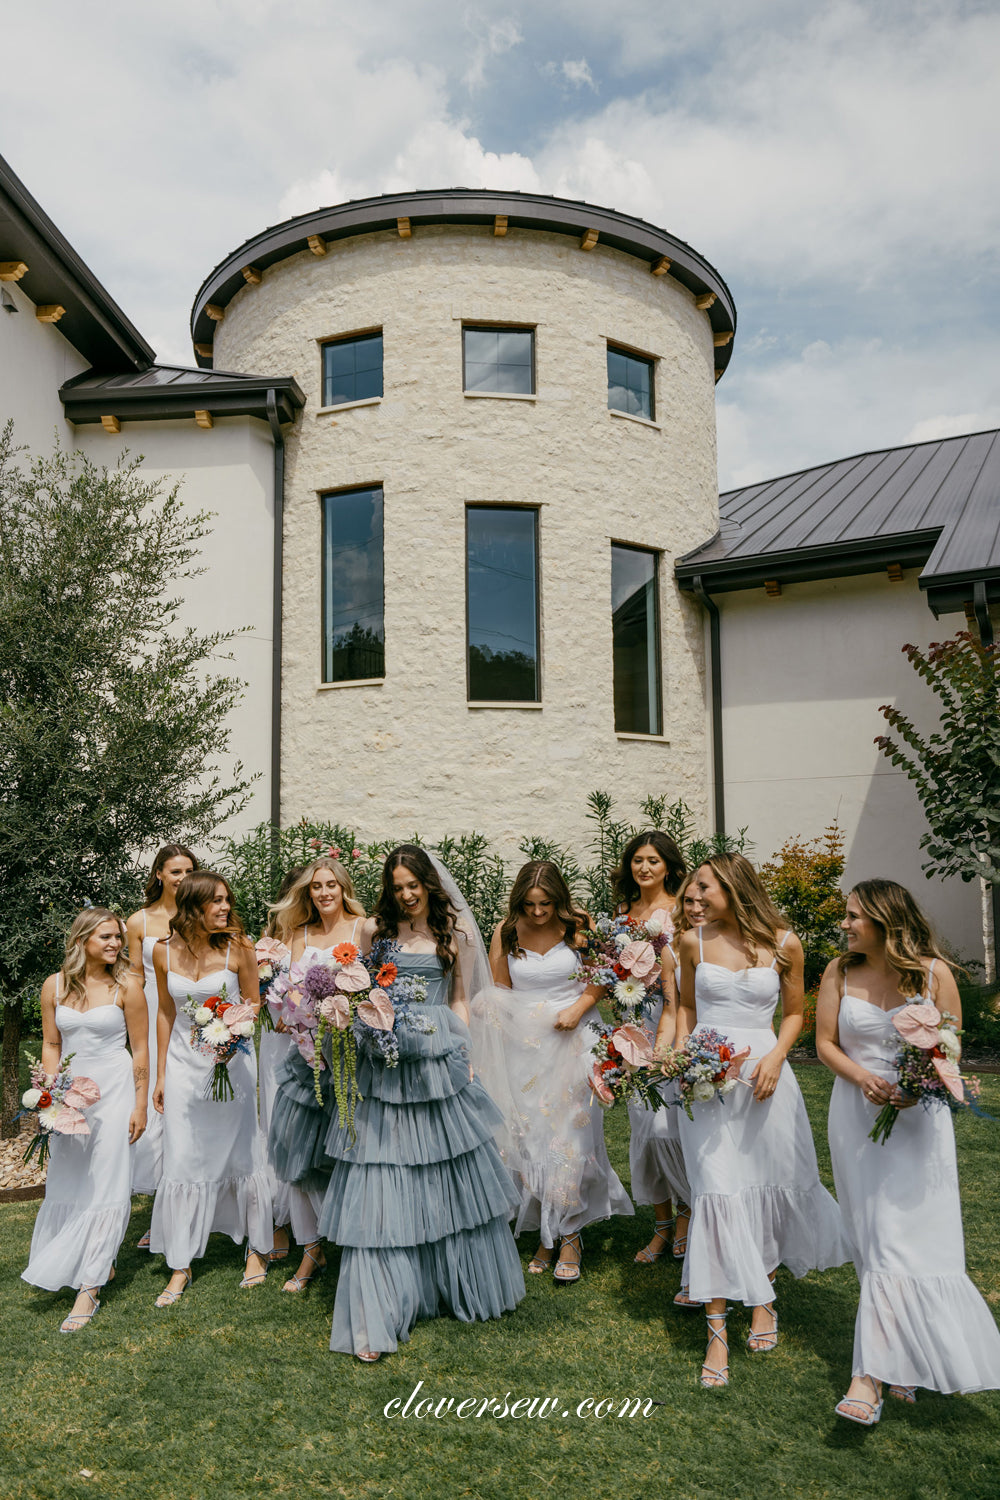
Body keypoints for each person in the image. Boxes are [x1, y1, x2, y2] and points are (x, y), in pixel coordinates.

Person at [299, 845, 525, 1359]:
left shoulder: (458, 934)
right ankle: (379, 1304)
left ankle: (445, 1284)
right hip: (384, 1061)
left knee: (442, 1171)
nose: (405, 894)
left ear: (427, 883)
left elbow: (461, 999)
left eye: (412, 885)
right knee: (383, 1169)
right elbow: (353, 984)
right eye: (397, 886)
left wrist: (465, 1055)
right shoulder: (374, 931)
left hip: (438, 1055)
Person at [817, 878, 1000, 1423]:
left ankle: (867, 1379)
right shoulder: (839, 972)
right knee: (874, 1237)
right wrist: (862, 1078)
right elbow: (825, 1043)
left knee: (906, 1238)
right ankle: (900, 1360)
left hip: (918, 1121)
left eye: (853, 916)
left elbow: (950, 1046)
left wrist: (917, 1083)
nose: (844, 924)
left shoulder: (932, 973)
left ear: (883, 919)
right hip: (856, 1116)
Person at [674, 853, 850, 1388]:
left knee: (765, 1188)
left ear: (733, 887)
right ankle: (717, 1333)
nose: (695, 898)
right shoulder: (690, 942)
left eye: (704, 888)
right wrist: (682, 1059)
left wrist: (775, 1057)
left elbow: (795, 1012)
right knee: (717, 1193)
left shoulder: (784, 943)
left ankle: (764, 1301)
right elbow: (685, 1006)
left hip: (766, 1080)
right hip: (705, 1081)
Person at [476, 860, 633, 1283]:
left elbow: (603, 975)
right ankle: (548, 1232)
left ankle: (570, 1237)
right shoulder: (506, 931)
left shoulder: (577, 925)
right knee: (532, 1136)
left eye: (546, 903)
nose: (539, 912)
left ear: (558, 899)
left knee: (573, 1137)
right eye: (530, 904)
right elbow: (499, 990)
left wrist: (579, 1008)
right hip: (525, 1047)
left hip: (576, 1037)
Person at [148, 871, 272, 1305]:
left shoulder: (240, 946)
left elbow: (254, 1003)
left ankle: (257, 1249)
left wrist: (233, 1032)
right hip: (184, 1065)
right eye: (215, 902)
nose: (224, 908)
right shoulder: (161, 951)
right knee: (182, 1155)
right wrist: (162, 1074)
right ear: (193, 906)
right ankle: (180, 1262)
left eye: (226, 901)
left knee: (242, 1152)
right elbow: (165, 1012)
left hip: (233, 1063)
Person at [22, 908, 149, 1331]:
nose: (116, 944)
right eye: (107, 937)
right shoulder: (54, 986)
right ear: (82, 941)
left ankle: (90, 1287)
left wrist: (140, 1104)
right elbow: (52, 1042)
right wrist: (48, 1096)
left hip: (114, 1091)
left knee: (109, 1180)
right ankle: (92, 1263)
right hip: (70, 1097)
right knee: (71, 1179)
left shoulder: (128, 986)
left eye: (118, 937)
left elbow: (142, 1048)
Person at [262, 857, 367, 1292]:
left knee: (352, 1156)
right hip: (305, 1060)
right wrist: (282, 1013)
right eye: (316, 887)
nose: (324, 893)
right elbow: (278, 990)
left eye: (331, 885)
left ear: (344, 888)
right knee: (295, 1154)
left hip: (352, 1058)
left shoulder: (366, 929)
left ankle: (360, 1244)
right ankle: (311, 1250)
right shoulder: (295, 934)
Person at [611, 831, 691, 1267]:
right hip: (631, 1021)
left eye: (653, 861)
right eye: (638, 860)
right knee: (643, 1129)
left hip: (671, 1019)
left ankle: (687, 1217)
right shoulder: (623, 914)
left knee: (669, 1129)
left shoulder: (680, 912)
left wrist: (670, 1041)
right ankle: (661, 1225)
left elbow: (680, 981)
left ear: (669, 867)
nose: (644, 868)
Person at [126, 844, 198, 1217]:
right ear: (160, 875)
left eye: (189, 870)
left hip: (193, 1008)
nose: (183, 878)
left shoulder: (201, 915)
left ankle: (196, 1189)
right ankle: (162, 1202)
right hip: (155, 1008)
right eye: (175, 872)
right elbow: (135, 978)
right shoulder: (139, 921)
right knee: (159, 1095)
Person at [657, 871, 707, 1308]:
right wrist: (668, 1055)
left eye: (701, 900)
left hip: (739, 1057)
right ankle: (686, 1220)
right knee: (665, 1135)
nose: (694, 908)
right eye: (687, 902)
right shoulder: (675, 949)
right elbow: (676, 1010)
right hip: (692, 1056)